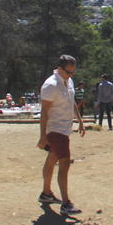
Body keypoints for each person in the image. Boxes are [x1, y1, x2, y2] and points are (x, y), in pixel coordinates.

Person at [37, 54, 86, 216]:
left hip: (65, 128)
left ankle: (46, 193)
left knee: (52, 159)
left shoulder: (68, 81)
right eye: (68, 72)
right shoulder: (50, 85)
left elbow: (71, 101)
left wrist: (79, 120)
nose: (71, 75)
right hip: (55, 129)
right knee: (64, 163)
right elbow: (44, 112)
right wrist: (43, 136)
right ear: (59, 68)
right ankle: (66, 203)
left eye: (73, 72)